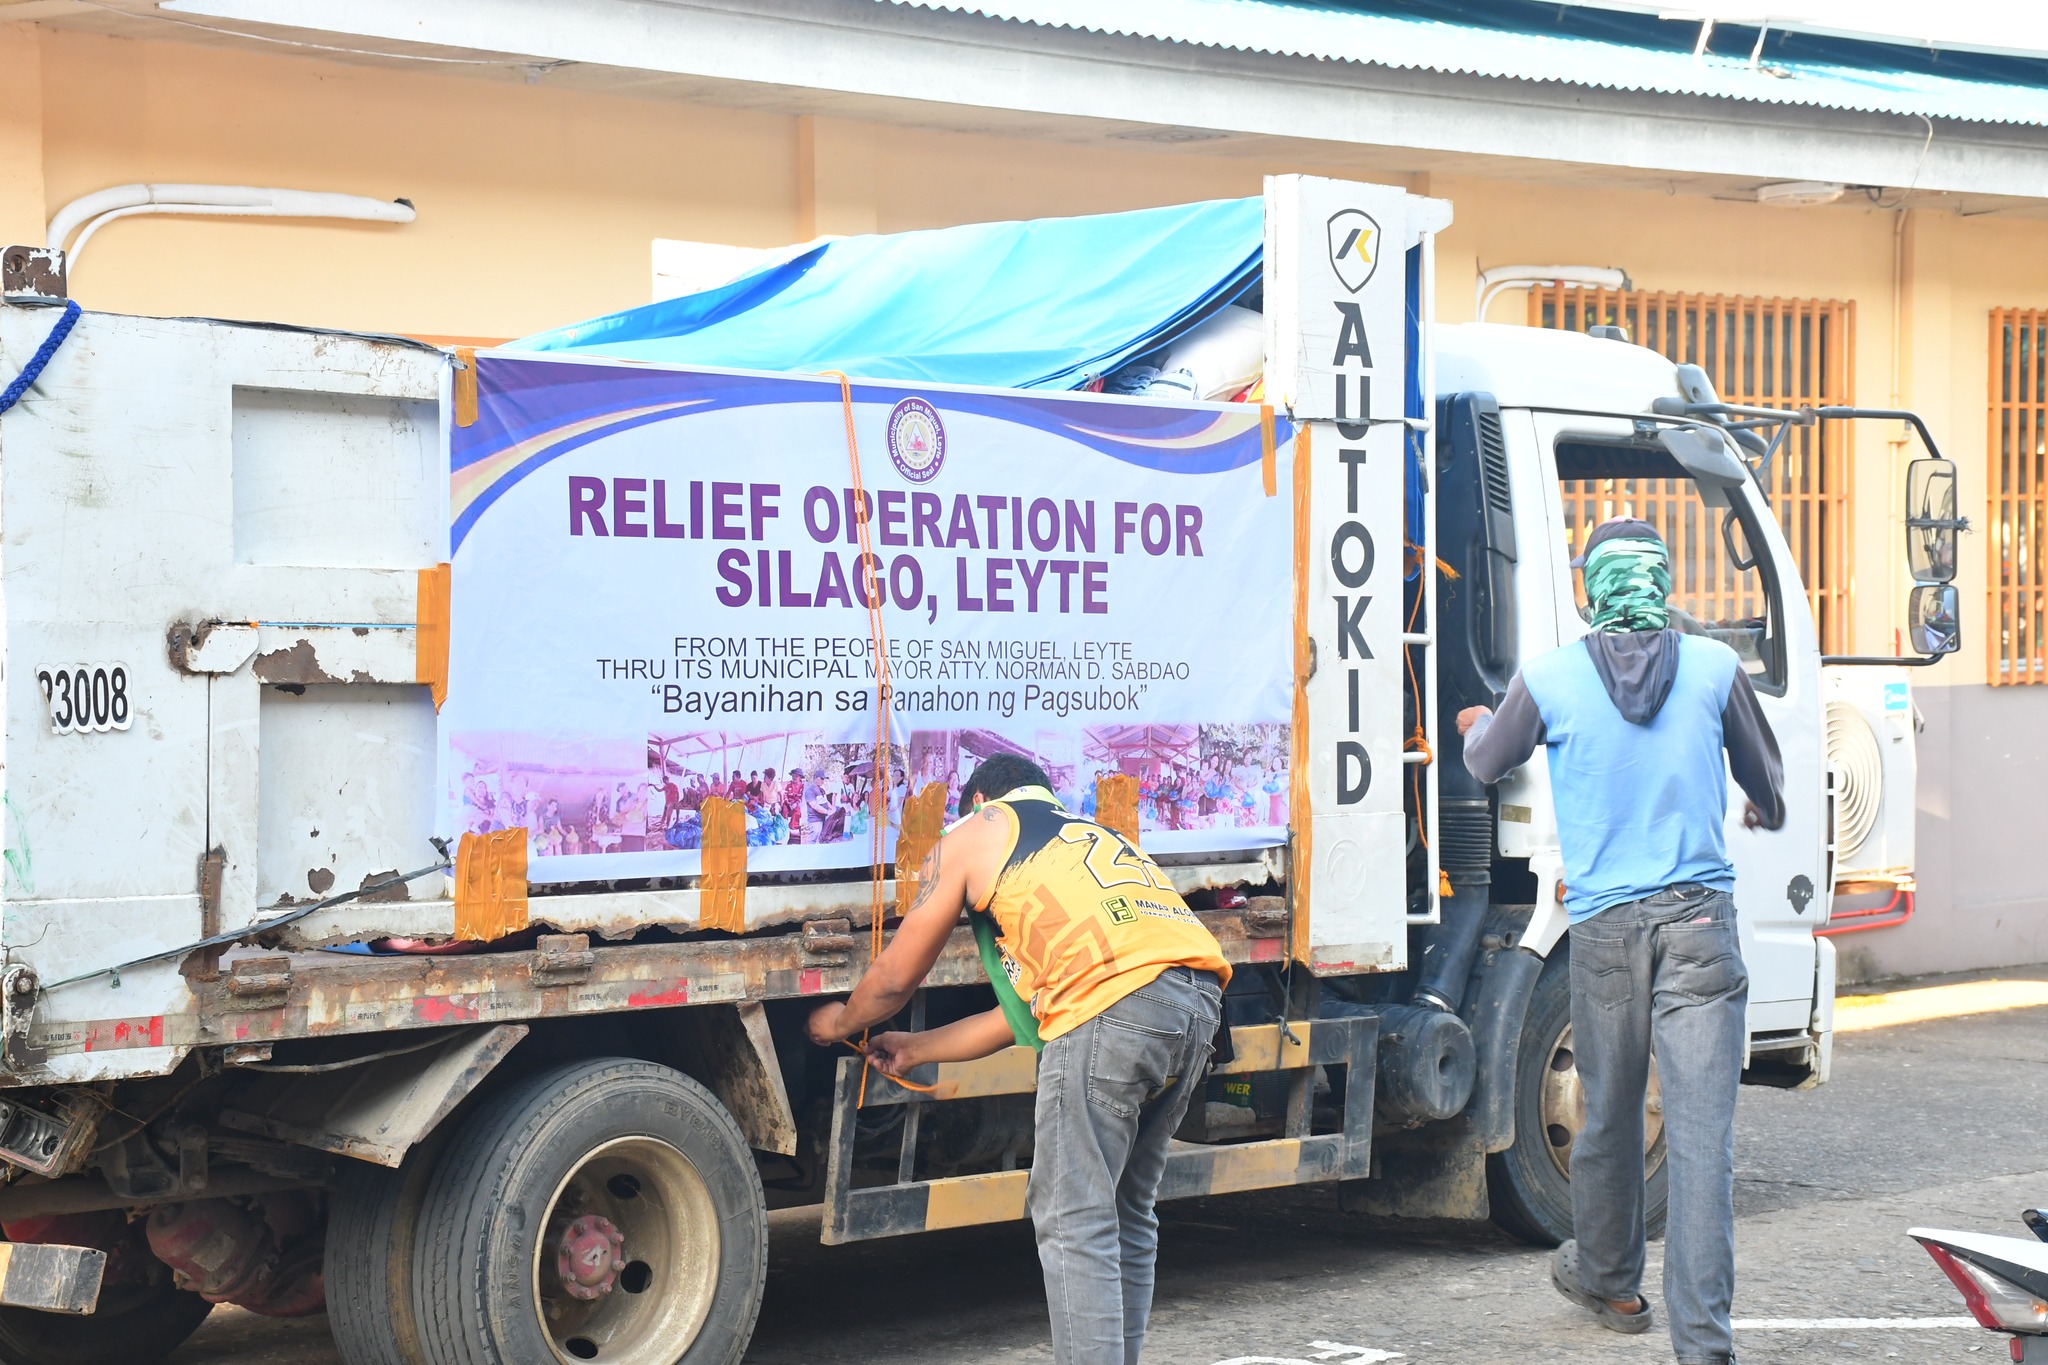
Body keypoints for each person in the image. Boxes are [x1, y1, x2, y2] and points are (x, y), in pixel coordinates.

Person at [1458, 517, 1784, 1365]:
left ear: (1592, 587)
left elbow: (1486, 762)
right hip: (1700, 921)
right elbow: (1772, 788)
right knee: (1702, 1140)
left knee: (1608, 1110)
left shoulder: (1552, 677)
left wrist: (1469, 723)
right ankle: (1704, 1347)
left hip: (1605, 929)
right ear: (1664, 582)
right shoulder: (1715, 667)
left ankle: (1611, 1279)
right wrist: (1759, 805)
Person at [806, 754, 1229, 1365]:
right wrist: (916, 1047)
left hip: (1107, 1008)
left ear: (977, 801)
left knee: (1073, 1216)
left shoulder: (976, 831)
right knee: (1126, 1209)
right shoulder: (1090, 836)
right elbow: (1020, 1016)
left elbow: (896, 979)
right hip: (1193, 1005)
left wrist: (840, 1022)